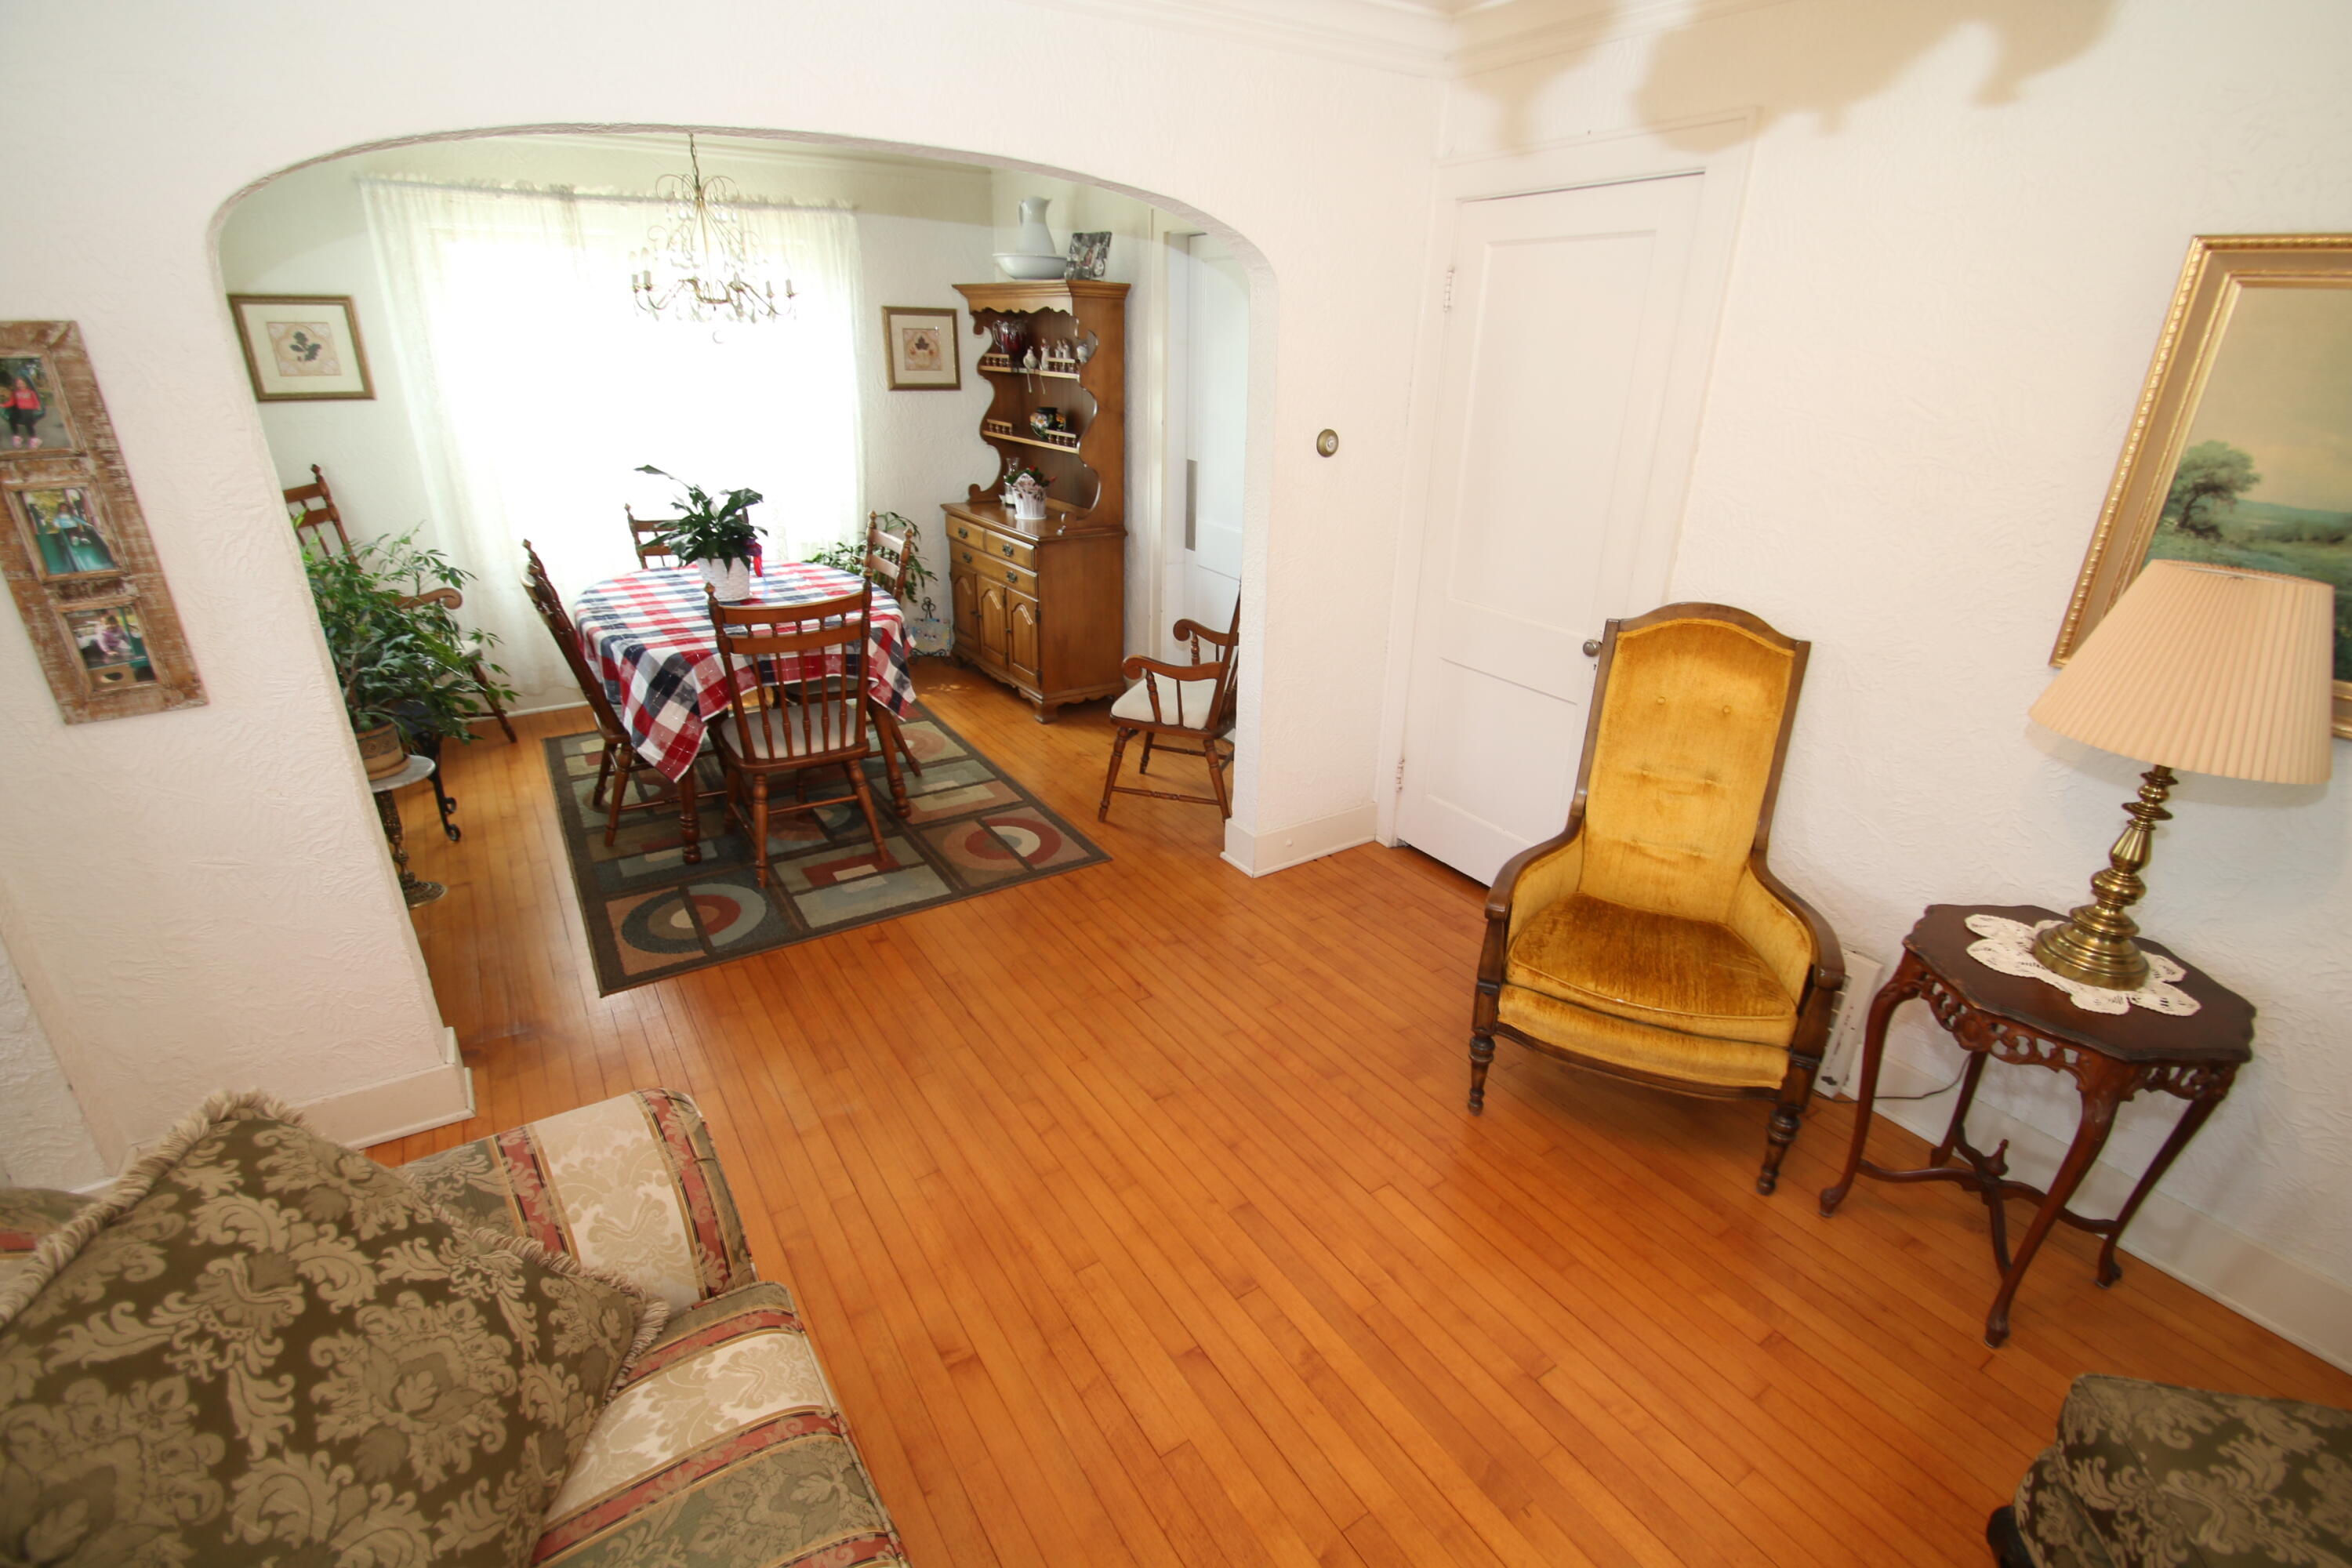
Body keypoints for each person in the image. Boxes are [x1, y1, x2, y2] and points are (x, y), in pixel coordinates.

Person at [5, 375, 43, 449]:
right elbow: (12, 402)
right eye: (19, 384)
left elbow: (36, 400)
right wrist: (2, 405)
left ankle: (34, 439)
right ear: (16, 385)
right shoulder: (16, 393)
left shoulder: (31, 392)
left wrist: (38, 406)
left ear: (26, 384)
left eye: (22, 383)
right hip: (20, 409)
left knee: (27, 420)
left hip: (29, 409)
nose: (21, 385)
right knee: (11, 418)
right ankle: (17, 437)